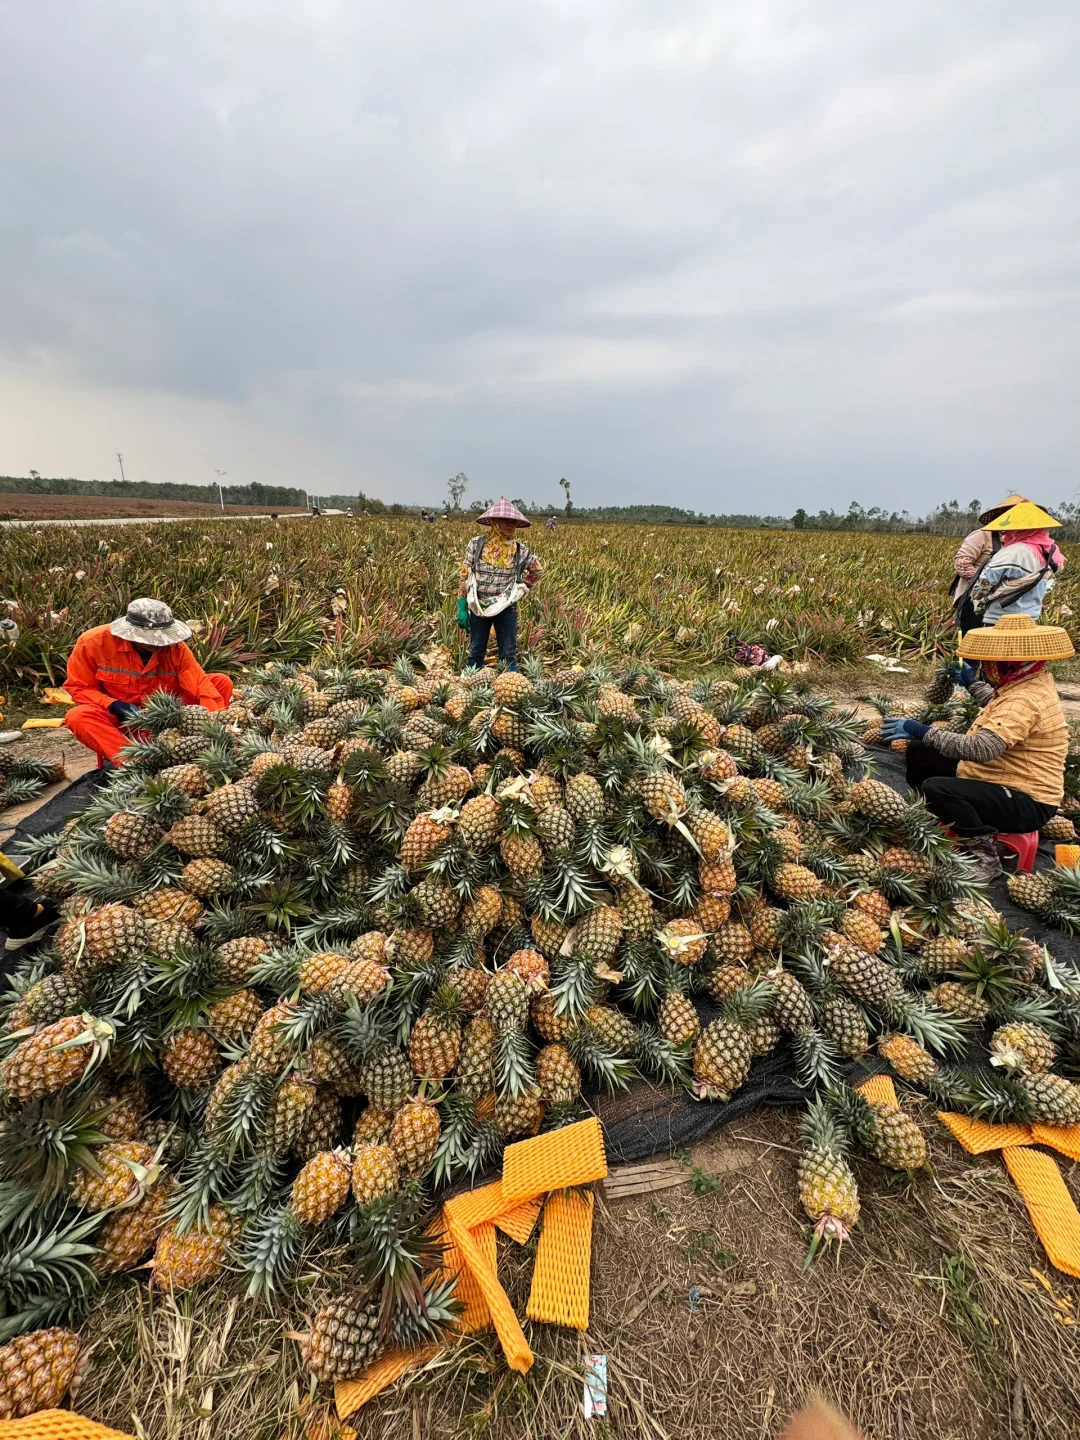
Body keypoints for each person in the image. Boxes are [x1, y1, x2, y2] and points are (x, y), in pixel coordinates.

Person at [881, 614, 1072, 879]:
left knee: (936, 787)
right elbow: (1000, 706)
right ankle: (932, 816)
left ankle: (983, 853)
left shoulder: (1025, 700)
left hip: (1026, 801)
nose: (986, 666)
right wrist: (972, 683)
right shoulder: (1028, 682)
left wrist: (920, 728)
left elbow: (981, 749)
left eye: (991, 662)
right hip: (1004, 778)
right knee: (920, 751)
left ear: (1008, 664)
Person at [63, 599, 233, 766]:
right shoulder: (93, 643)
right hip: (121, 720)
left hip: (170, 716)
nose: (159, 644)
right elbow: (78, 687)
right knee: (77, 716)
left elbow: (201, 684)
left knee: (220, 682)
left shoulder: (176, 648)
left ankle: (198, 748)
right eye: (151, 639)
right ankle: (134, 764)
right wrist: (113, 704)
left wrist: (212, 731)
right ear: (130, 632)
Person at [456, 499, 542, 671]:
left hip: (506, 608)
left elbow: (538, 571)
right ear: (494, 521)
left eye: (514, 522)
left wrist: (522, 588)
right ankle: (472, 685)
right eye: (506, 520)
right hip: (478, 605)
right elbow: (464, 574)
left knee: (508, 652)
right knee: (476, 650)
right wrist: (461, 604)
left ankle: (508, 686)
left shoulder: (520, 550)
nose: (511, 525)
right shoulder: (476, 544)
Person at [967, 500, 1066, 627]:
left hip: (1000, 619)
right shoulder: (1050, 551)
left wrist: (977, 603)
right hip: (1031, 618)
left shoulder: (1011, 553)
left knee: (998, 647)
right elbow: (1049, 585)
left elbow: (984, 584)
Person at [952, 495, 1025, 634]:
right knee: (975, 638)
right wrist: (989, 581)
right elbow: (962, 563)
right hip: (974, 597)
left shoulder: (1022, 541)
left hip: (1005, 600)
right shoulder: (983, 535)